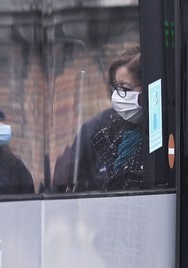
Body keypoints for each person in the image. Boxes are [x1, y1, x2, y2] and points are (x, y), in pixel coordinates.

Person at [51, 46, 144, 192]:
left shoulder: (160, 131)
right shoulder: (103, 128)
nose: (118, 96)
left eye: (125, 89)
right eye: (115, 88)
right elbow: (67, 179)